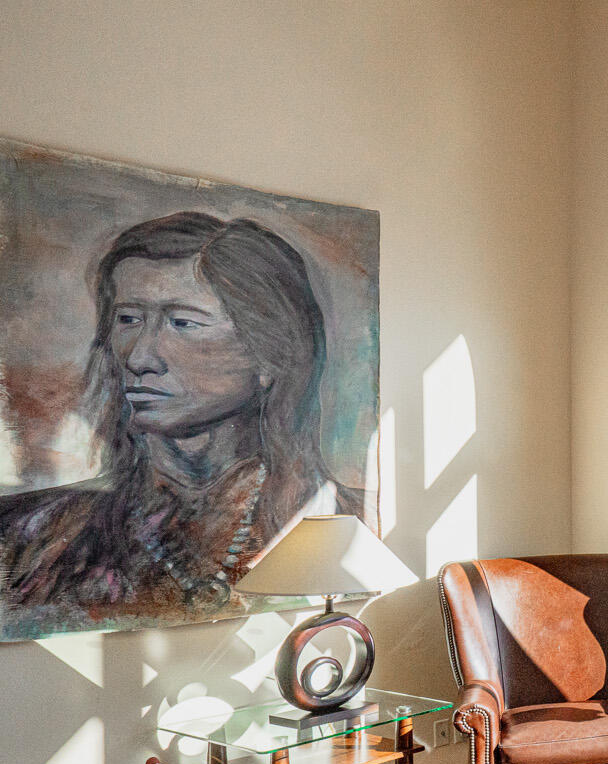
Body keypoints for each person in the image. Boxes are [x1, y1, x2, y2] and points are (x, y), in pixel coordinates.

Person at [0, 211, 362, 636]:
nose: (139, 358)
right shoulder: (30, 535)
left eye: (183, 323)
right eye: (128, 319)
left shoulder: (348, 528)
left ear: (269, 355)